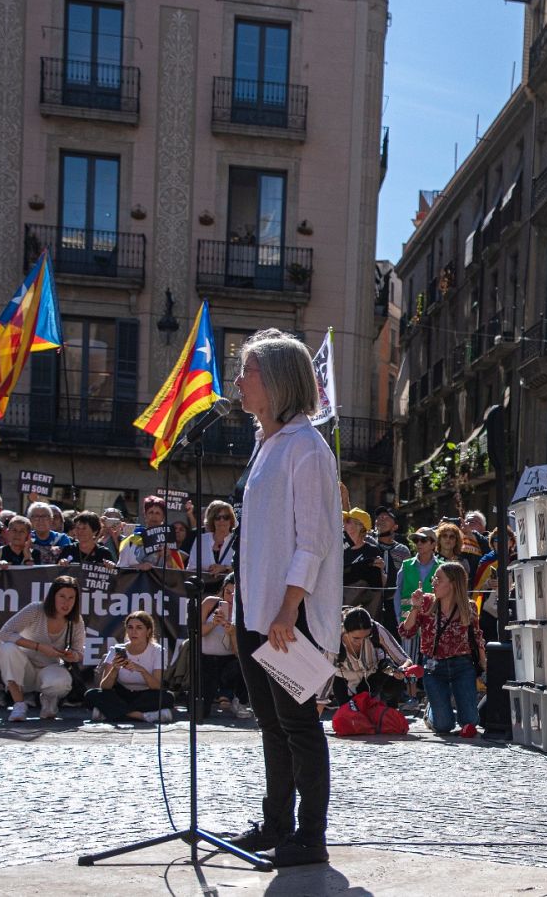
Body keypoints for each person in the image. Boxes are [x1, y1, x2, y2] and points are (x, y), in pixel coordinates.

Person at [226, 328, 341, 867]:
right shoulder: (266, 444)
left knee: (298, 726)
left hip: (287, 617)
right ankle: (277, 822)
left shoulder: (306, 447)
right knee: (270, 724)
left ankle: (310, 836)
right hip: (257, 611)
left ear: (276, 380)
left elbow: (313, 539)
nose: (239, 380)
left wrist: (288, 609)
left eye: (248, 370)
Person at [399, 561, 487, 737]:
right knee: (443, 726)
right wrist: (414, 607)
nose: (433, 583)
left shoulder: (469, 607)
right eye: (434, 579)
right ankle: (431, 708)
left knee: (470, 721)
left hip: (462, 665)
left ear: (453, 583)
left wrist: (484, 666)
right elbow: (406, 632)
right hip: (434, 666)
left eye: (438, 579)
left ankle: (441, 705)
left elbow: (477, 638)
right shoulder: (426, 602)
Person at [0, 575, 86, 721]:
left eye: (71, 598)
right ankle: (19, 704)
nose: (66, 602)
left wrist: (72, 655)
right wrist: (39, 647)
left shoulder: (75, 621)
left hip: (49, 668)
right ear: (53, 596)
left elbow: (79, 652)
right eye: (62, 596)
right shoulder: (36, 609)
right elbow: (4, 633)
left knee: (61, 682)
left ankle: (49, 700)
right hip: (24, 668)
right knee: (7, 648)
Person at [85, 609, 174, 724]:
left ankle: (109, 712)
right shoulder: (116, 650)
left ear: (148, 631)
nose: (133, 632)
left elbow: (156, 686)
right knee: (91, 695)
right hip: (122, 693)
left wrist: (141, 670)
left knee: (168, 698)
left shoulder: (157, 651)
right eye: (130, 627)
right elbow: (105, 687)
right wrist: (115, 668)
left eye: (139, 628)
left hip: (145, 694)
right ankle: (142, 716)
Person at [325, 606, 411, 708]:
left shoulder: (377, 630)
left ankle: (388, 707)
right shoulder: (334, 636)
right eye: (356, 638)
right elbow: (324, 671)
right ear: (345, 630)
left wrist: (402, 669)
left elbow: (404, 659)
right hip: (343, 679)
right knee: (349, 715)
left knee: (392, 676)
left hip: (374, 674)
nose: (361, 642)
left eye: (366, 637)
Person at [392, 527, 440, 706]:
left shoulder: (441, 567)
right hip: (408, 617)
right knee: (409, 656)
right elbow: (397, 593)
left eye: (423, 540)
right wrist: (399, 619)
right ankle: (410, 696)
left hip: (432, 619)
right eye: (417, 540)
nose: (419, 543)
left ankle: (431, 697)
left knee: (431, 658)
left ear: (433, 544)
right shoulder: (406, 565)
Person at [197, 576, 249, 720]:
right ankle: (213, 698)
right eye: (227, 592)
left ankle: (239, 701)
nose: (230, 597)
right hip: (206, 659)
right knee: (202, 713)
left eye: (235, 593)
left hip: (229, 659)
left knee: (244, 665)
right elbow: (197, 632)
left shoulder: (244, 611)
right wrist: (213, 623)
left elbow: (240, 652)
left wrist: (232, 634)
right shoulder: (210, 603)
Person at [117, 495, 186, 570]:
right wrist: (138, 567)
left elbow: (178, 576)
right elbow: (121, 569)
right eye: (151, 512)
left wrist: (168, 558)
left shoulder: (170, 543)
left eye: (158, 513)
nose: (154, 516)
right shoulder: (130, 541)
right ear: (145, 516)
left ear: (163, 517)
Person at [342, 508, 385, 602]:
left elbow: (381, 587)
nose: (343, 524)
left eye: (348, 521)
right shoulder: (339, 550)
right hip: (338, 604)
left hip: (363, 607)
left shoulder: (372, 551)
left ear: (360, 527)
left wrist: (381, 571)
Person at [193, 500, 238, 577]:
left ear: (231, 520)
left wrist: (225, 568)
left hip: (228, 587)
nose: (222, 520)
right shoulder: (201, 540)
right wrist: (208, 571)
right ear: (212, 520)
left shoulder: (238, 541)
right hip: (205, 586)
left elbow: (243, 569)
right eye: (217, 517)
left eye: (226, 517)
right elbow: (191, 568)